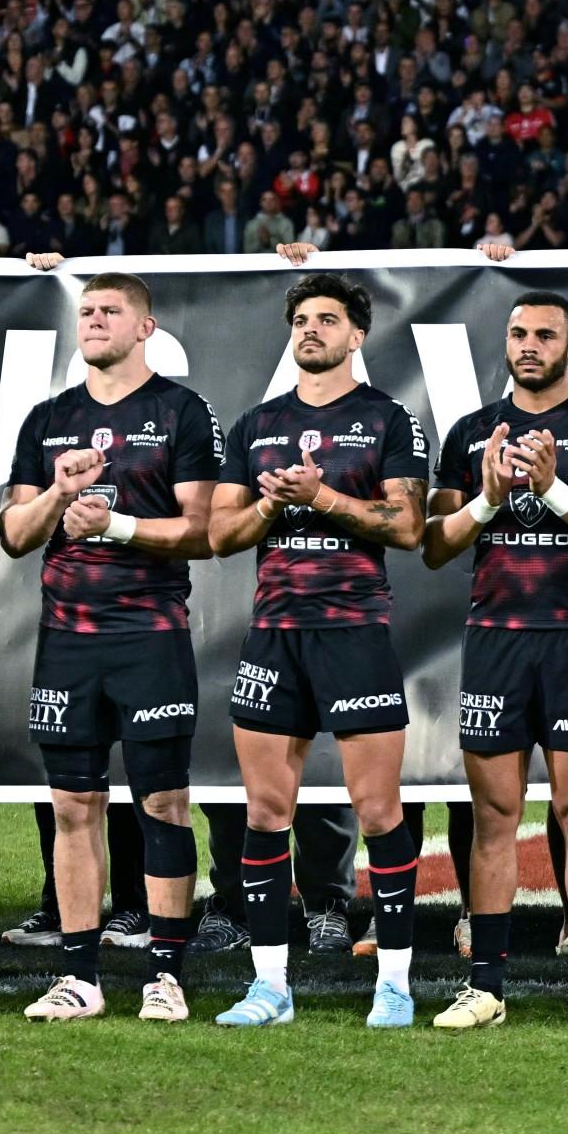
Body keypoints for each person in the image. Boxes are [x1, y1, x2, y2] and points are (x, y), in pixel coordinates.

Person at [205, 273, 429, 1029]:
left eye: (326, 319)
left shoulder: (386, 418)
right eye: (301, 319)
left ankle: (394, 983)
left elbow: (407, 526)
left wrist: (323, 497)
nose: (310, 330)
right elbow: (218, 534)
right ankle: (271, 985)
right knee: (266, 811)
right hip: (275, 633)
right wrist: (274, 500)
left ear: (357, 334)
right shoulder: (256, 424)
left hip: (354, 631)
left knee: (377, 808)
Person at [1, 272, 224, 1023]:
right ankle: (80, 977)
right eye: (86, 311)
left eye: (109, 311)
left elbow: (203, 530)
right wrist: (59, 495)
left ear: (145, 327)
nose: (93, 321)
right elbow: (13, 534)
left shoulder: (181, 411)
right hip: (67, 641)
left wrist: (117, 527)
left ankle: (165, 974)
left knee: (162, 800)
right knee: (72, 805)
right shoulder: (47, 419)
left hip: (150, 635)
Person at [423, 290, 568, 1030]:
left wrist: (551, 488)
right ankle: (485, 984)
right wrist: (487, 499)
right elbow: (434, 543)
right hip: (495, 639)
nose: (529, 345)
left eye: (545, 335)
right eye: (518, 333)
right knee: (494, 816)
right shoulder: (470, 432)